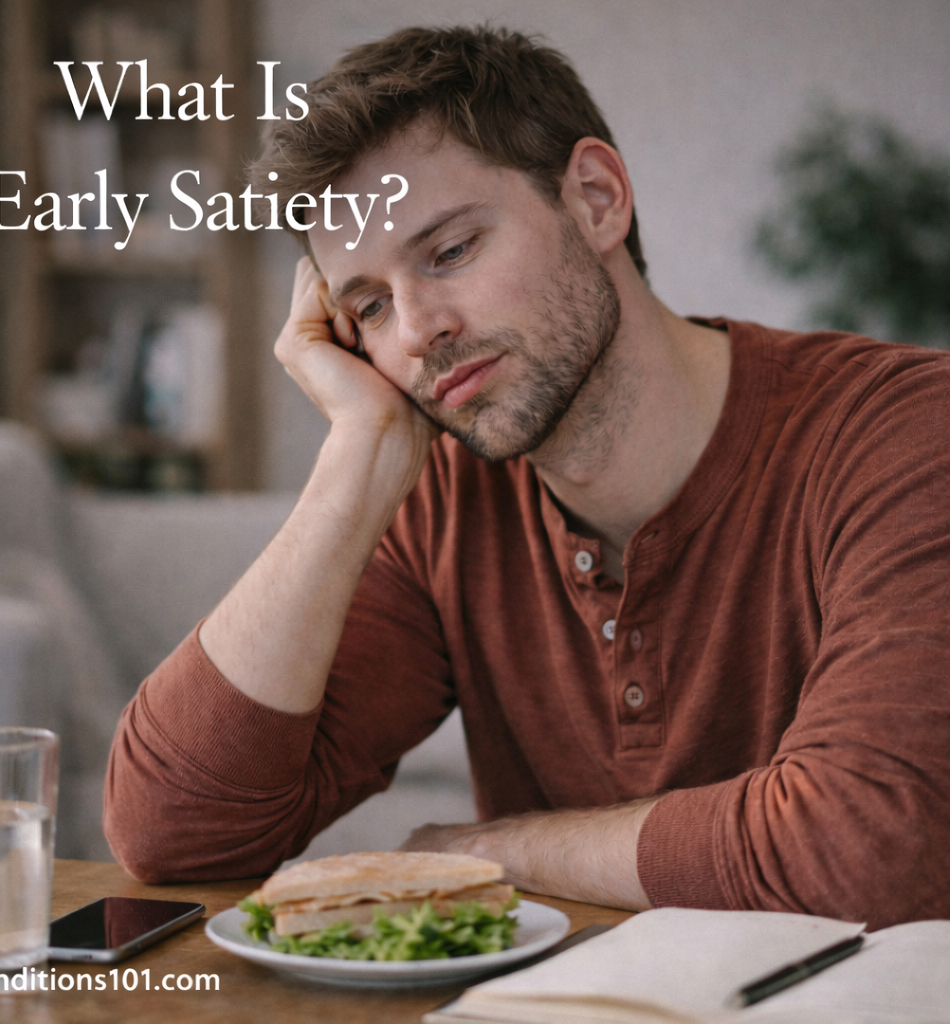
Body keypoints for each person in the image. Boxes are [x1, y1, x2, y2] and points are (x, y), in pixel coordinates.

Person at [103, 26, 950, 928]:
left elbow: (872, 850)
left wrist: (480, 850)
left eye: (451, 251)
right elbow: (172, 832)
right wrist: (353, 465)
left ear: (595, 198)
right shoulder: (444, 502)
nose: (419, 329)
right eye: (370, 306)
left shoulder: (903, 433)